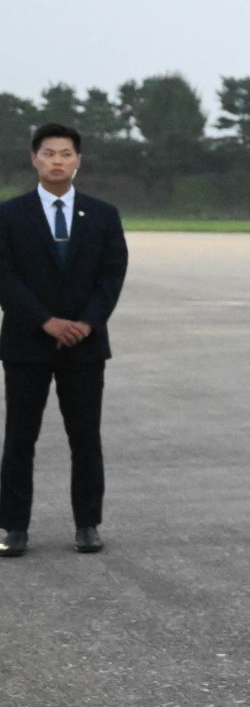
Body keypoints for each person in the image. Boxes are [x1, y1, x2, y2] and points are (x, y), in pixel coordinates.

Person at [0, 123, 129, 558]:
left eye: (66, 154)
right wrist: (45, 321)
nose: (57, 160)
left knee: (85, 437)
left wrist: (87, 323)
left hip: (85, 345)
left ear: (79, 161)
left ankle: (87, 524)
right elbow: (5, 277)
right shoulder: (8, 214)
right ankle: (12, 527)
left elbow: (111, 276)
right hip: (26, 343)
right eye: (49, 153)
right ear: (34, 159)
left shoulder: (103, 214)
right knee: (20, 437)